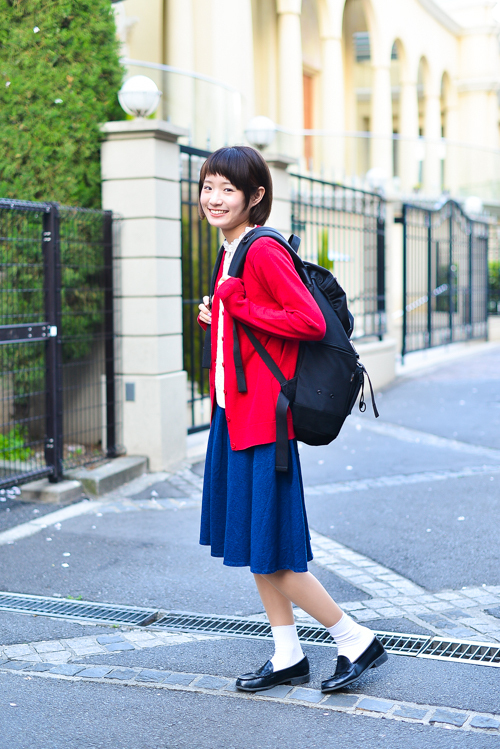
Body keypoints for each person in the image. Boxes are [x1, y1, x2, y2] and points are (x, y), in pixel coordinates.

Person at [197, 146, 387, 693]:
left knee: (274, 552)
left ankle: (356, 639)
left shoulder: (260, 251)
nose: (214, 198)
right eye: (208, 186)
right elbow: (252, 335)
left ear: (255, 197)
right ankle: (287, 655)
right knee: (260, 545)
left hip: (265, 423)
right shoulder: (230, 249)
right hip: (234, 415)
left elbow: (305, 319)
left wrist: (238, 301)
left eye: (227, 189)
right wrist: (222, 316)